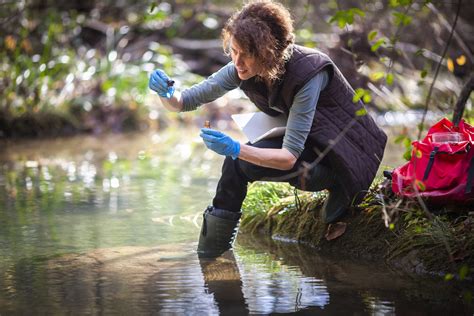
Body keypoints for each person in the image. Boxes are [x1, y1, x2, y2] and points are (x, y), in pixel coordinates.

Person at [149, 0, 387, 258]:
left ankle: (339, 189)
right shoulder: (242, 67)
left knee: (237, 159)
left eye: (246, 54)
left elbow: (287, 158)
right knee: (235, 165)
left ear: (267, 53)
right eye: (234, 51)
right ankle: (211, 256)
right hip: (313, 142)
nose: (237, 62)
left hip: (343, 159)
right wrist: (167, 93)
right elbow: (184, 102)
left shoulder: (310, 71)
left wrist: (235, 148)